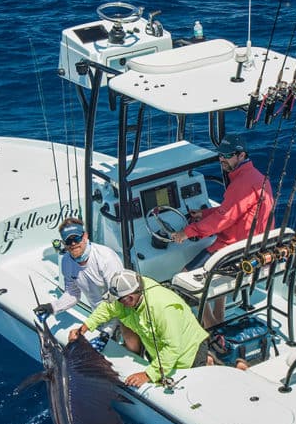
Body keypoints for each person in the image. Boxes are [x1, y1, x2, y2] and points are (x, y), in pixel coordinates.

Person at [170, 134, 274, 327]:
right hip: (253, 248)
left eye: (227, 155)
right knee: (214, 277)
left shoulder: (241, 183)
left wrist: (187, 232)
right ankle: (219, 318)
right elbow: (233, 210)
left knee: (182, 281)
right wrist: (205, 213)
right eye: (220, 154)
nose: (221, 159)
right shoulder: (258, 178)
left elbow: (223, 219)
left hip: (233, 251)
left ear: (241, 155)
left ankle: (212, 330)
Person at [69, 269, 213, 388]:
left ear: (130, 298)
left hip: (188, 354)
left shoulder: (163, 309)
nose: (118, 303)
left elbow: (173, 348)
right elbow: (108, 308)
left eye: (120, 300)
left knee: (194, 391)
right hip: (159, 351)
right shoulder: (128, 290)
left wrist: (148, 375)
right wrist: (84, 328)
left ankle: (207, 363)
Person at [51, 217, 125, 346]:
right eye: (69, 240)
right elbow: (73, 293)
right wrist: (51, 308)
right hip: (98, 320)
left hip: (122, 317)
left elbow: (119, 299)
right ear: (64, 243)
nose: (73, 244)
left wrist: (108, 331)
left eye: (77, 238)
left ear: (85, 236)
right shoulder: (66, 261)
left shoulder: (106, 258)